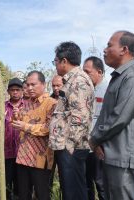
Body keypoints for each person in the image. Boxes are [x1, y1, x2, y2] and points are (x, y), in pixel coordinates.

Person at [89, 31, 134, 200]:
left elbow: (120, 117)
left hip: (126, 158)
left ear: (124, 49)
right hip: (115, 156)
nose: (105, 50)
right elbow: (106, 114)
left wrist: (94, 139)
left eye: (109, 45)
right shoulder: (119, 77)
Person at [49, 41, 95, 200]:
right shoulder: (72, 79)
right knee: (71, 191)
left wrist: (70, 146)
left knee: (74, 192)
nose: (55, 64)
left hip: (71, 148)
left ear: (64, 61)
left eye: (55, 61)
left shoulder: (78, 81)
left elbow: (81, 117)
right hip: (69, 147)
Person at [12, 71, 57, 200]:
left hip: (40, 159)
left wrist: (25, 126)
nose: (30, 88)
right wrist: (17, 116)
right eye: (28, 85)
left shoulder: (51, 104)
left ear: (43, 84)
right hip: (23, 157)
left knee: (42, 194)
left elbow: (49, 128)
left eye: (33, 84)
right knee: (23, 194)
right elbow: (17, 124)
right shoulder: (26, 104)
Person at [0, 77, 24, 199]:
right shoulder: (1, 107)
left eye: (17, 89)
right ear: (8, 91)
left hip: (23, 154)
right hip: (7, 153)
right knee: (6, 183)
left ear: (22, 91)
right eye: (12, 90)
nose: (15, 92)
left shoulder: (27, 106)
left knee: (21, 184)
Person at [83, 56, 106, 200]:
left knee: (101, 183)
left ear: (99, 72)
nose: (85, 76)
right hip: (85, 145)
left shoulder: (109, 90)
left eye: (88, 72)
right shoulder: (85, 90)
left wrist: (98, 143)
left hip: (101, 146)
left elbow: (109, 121)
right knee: (86, 183)